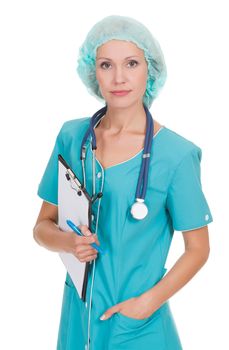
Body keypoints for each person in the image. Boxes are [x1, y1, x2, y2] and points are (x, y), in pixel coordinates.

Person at [33, 15, 213, 350]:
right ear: (93, 72)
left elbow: (198, 249)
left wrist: (145, 305)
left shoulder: (176, 155)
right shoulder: (73, 138)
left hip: (138, 327)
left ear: (150, 70)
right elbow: (41, 227)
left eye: (131, 63)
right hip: (77, 317)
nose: (119, 77)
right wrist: (68, 242)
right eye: (106, 65)